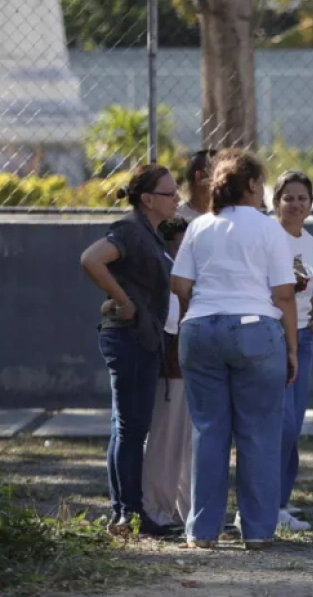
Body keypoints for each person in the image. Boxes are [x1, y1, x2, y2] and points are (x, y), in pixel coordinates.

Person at [172, 150, 298, 550]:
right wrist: (291, 348)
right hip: (255, 330)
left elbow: (179, 284)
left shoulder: (199, 226)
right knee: (258, 433)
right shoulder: (268, 229)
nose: (263, 190)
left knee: (209, 431)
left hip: (199, 330)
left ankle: (202, 531)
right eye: (260, 183)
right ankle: (258, 531)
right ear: (249, 185)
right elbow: (284, 295)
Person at [80, 164, 180, 537]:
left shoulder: (151, 234)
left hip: (140, 338)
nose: (177, 199)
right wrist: (122, 301)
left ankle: (124, 512)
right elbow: (91, 258)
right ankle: (130, 514)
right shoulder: (131, 230)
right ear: (148, 200)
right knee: (131, 428)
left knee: (125, 428)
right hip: (129, 338)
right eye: (170, 194)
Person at [273, 171, 313, 532]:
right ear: (275, 200)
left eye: (302, 198)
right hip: (272, 336)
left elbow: (303, 291)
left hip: (303, 338)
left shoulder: (312, 244)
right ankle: (260, 504)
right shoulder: (267, 236)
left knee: (292, 427)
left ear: (312, 204)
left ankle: (278, 503)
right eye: (288, 197)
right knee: (279, 425)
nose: (295, 204)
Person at [140, 215, 192, 528]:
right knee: (165, 439)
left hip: (188, 365)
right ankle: (156, 508)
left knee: (185, 443)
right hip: (170, 365)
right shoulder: (166, 271)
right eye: (182, 243)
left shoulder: (183, 272)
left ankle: (183, 510)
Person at [177, 149, 217, 222]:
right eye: (218, 175)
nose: (224, 181)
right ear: (199, 177)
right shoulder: (176, 219)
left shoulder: (226, 216)